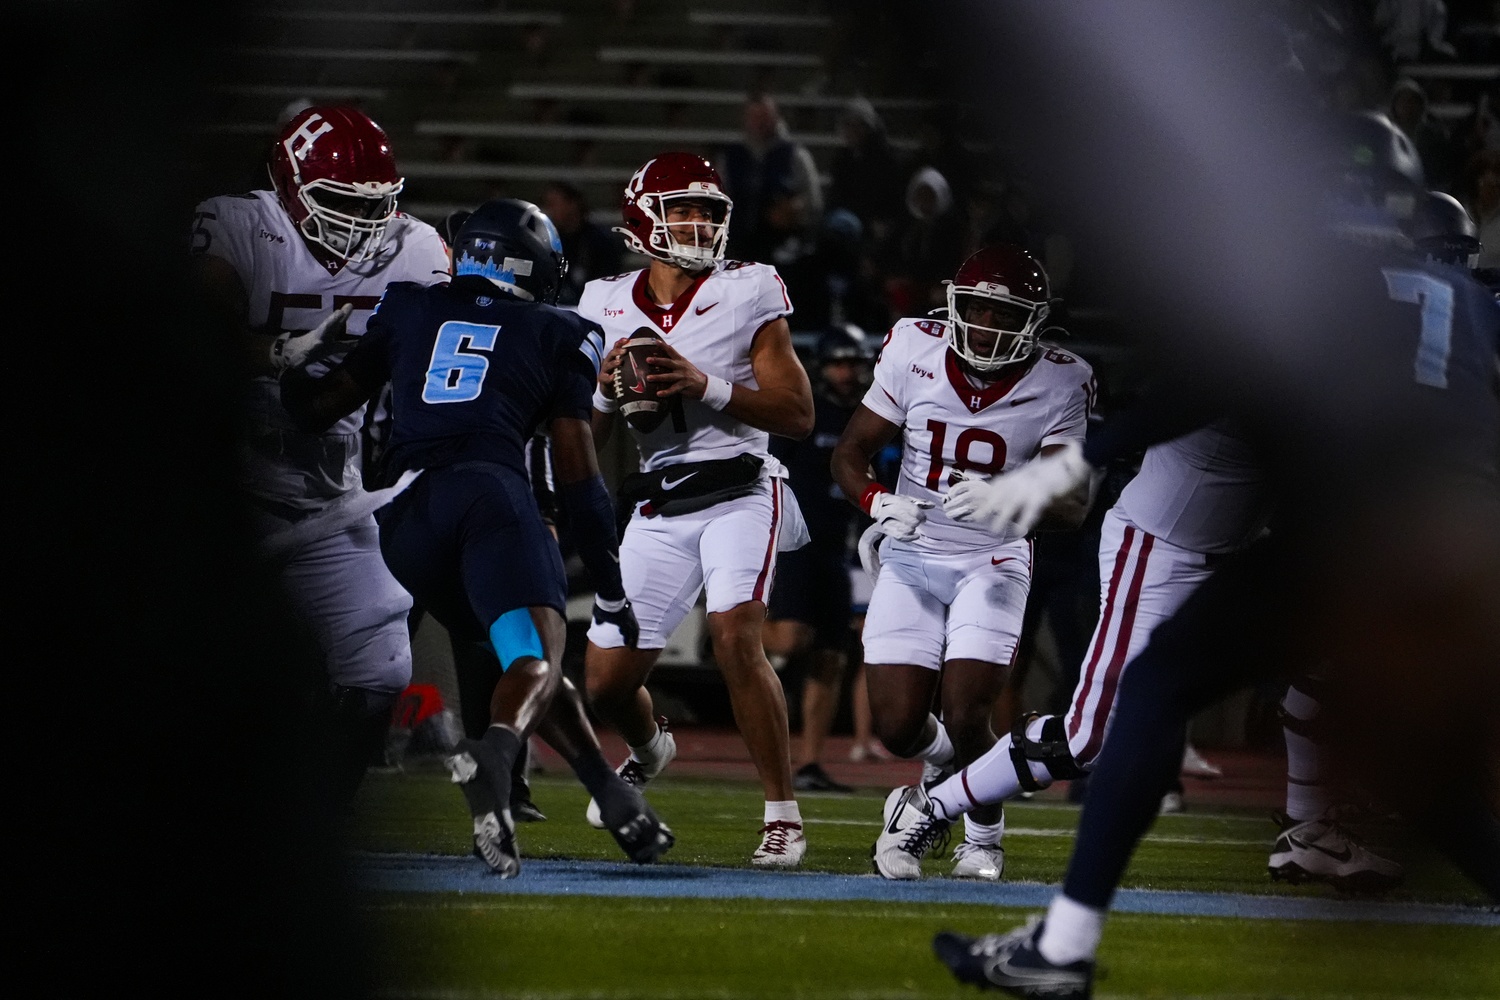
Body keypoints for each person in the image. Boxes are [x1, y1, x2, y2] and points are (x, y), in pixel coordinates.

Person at [928, 109, 1500, 997]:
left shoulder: (1302, 284)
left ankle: (1064, 945)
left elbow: (1203, 391)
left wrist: (1083, 455)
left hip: (1354, 537)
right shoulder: (1469, 301)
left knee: (1159, 685)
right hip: (1459, 539)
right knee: (1419, 764)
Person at [277, 197, 675, 877]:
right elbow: (579, 476)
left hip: (403, 517)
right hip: (489, 499)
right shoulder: (561, 330)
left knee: (524, 659)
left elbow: (317, 408)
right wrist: (609, 587)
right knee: (540, 657)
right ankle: (493, 757)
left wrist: (291, 365)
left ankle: (615, 799)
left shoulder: (406, 305)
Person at [873, 419, 1403, 888]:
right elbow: (1148, 417)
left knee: (1332, 664)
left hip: (1245, 553)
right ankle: (931, 805)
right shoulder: (1246, 355)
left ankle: (1309, 826)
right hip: (1160, 551)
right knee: (1089, 738)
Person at [188, 104, 452, 813]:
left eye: (377, 209)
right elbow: (194, 327)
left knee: (381, 669)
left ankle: (317, 822)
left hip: (327, 486)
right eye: (339, 203)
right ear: (288, 187)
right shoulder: (242, 225)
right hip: (221, 484)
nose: (363, 227)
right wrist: (273, 354)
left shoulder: (420, 250)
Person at [830, 243, 1096, 881]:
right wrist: (878, 500)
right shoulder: (912, 348)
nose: (987, 325)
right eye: (976, 309)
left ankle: (983, 837)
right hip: (914, 549)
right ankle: (962, 771)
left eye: (1005, 315)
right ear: (953, 305)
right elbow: (850, 452)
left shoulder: (1062, 376)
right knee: (896, 726)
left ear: (1034, 322)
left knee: (968, 708)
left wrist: (1010, 495)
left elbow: (1075, 505)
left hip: (993, 558)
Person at [581, 151, 817, 867]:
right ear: (642, 218)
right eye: (683, 208)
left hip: (743, 487)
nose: (700, 222)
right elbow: (582, 422)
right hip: (661, 500)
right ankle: (653, 747)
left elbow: (799, 413)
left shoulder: (749, 289)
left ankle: (783, 815)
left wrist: (702, 382)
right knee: (606, 684)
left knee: (736, 636)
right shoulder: (602, 301)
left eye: (710, 211)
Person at [764, 326, 878, 793]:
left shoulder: (871, 417)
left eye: (853, 363)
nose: (846, 372)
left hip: (838, 549)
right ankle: (731, 636)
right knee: (791, 640)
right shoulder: (807, 411)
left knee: (831, 657)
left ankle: (809, 762)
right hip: (796, 543)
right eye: (839, 362)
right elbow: (770, 468)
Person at [716, 93, 824, 262]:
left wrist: (793, 210)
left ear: (775, 118)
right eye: (754, 117)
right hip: (738, 243)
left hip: (782, 245)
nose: (760, 123)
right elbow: (718, 198)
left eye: (765, 117)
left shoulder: (795, 156)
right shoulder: (731, 157)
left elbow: (813, 201)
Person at [541, 180, 626, 305]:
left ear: (573, 204)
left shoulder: (601, 242)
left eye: (554, 204)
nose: (549, 210)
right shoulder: (548, 242)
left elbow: (608, 285)